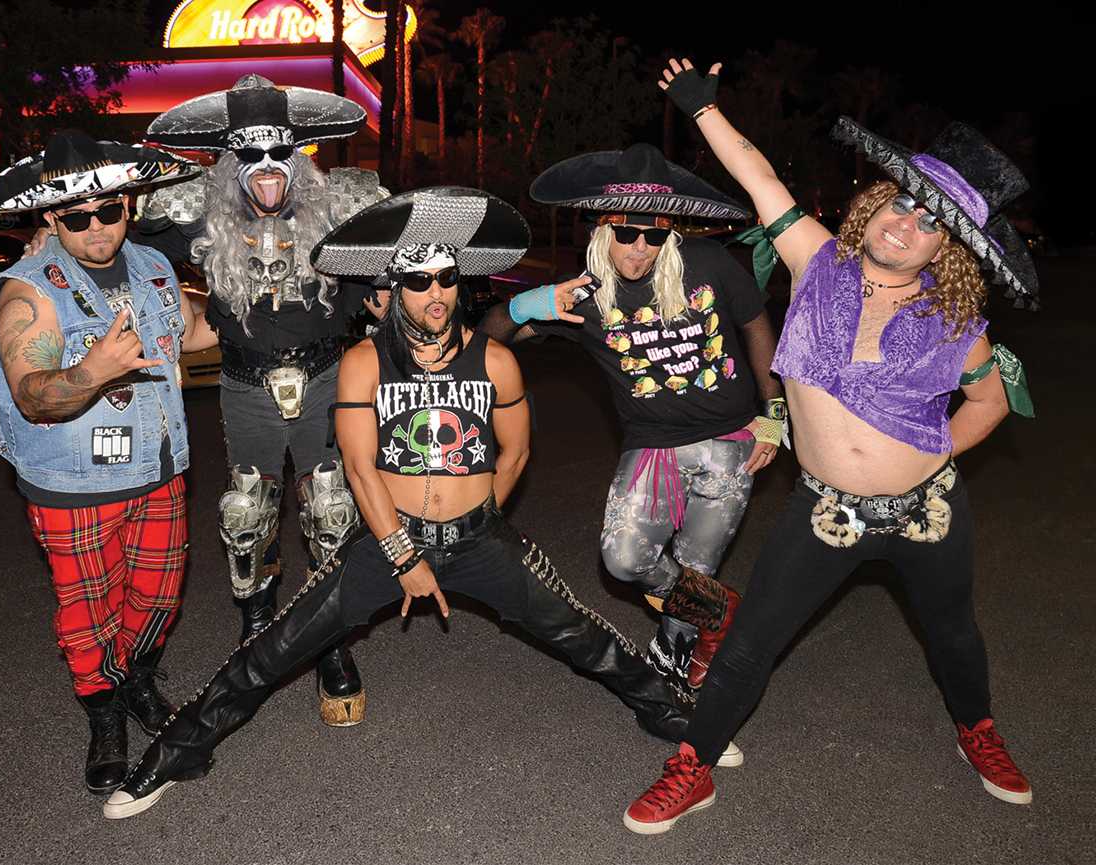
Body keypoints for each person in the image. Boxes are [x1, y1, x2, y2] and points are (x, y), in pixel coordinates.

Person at [100, 186, 740, 820]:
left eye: (446, 278)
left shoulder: (494, 362)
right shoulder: (362, 362)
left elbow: (514, 454)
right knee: (272, 651)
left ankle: (683, 721)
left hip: (478, 539)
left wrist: (477, 517)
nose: (435, 294)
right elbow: (358, 465)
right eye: (419, 282)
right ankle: (177, 753)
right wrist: (404, 554)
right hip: (389, 541)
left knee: (585, 638)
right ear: (391, 291)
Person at [621, 59, 1039, 835]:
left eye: (931, 224)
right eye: (901, 205)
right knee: (750, 646)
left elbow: (991, 399)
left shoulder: (955, 323)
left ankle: (976, 730)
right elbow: (760, 177)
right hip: (825, 513)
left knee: (953, 632)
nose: (907, 224)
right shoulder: (817, 262)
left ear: (944, 250)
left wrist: (937, 452)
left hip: (928, 513)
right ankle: (695, 766)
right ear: (876, 205)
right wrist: (703, 110)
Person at [481, 143, 786, 695]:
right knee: (624, 560)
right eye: (627, 234)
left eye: (655, 235)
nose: (640, 248)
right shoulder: (584, 297)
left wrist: (775, 414)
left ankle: (677, 657)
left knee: (695, 567)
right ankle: (723, 616)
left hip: (732, 443)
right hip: (654, 446)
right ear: (604, 228)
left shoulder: (710, 264)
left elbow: (756, 324)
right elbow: (486, 340)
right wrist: (531, 303)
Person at [0, 130, 218, 794]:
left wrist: (267, 299)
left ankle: (133, 674)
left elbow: (195, 333)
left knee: (159, 597)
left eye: (109, 209)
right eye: (77, 216)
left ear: (128, 206)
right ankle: (105, 715)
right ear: (52, 218)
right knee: (88, 613)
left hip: (161, 469)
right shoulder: (25, 291)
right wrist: (91, 370)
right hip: (72, 482)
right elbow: (34, 394)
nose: (96, 226)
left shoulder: (155, 268)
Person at [138, 74, 391, 724]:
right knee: (246, 517)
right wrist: (51, 242)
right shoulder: (195, 213)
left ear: (299, 155)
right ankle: (257, 638)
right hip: (246, 385)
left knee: (333, 515)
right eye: (250, 155)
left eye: (281, 152)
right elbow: (117, 241)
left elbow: (400, 256)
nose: (268, 168)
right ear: (230, 164)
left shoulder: (340, 207)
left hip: (327, 382)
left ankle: (330, 648)